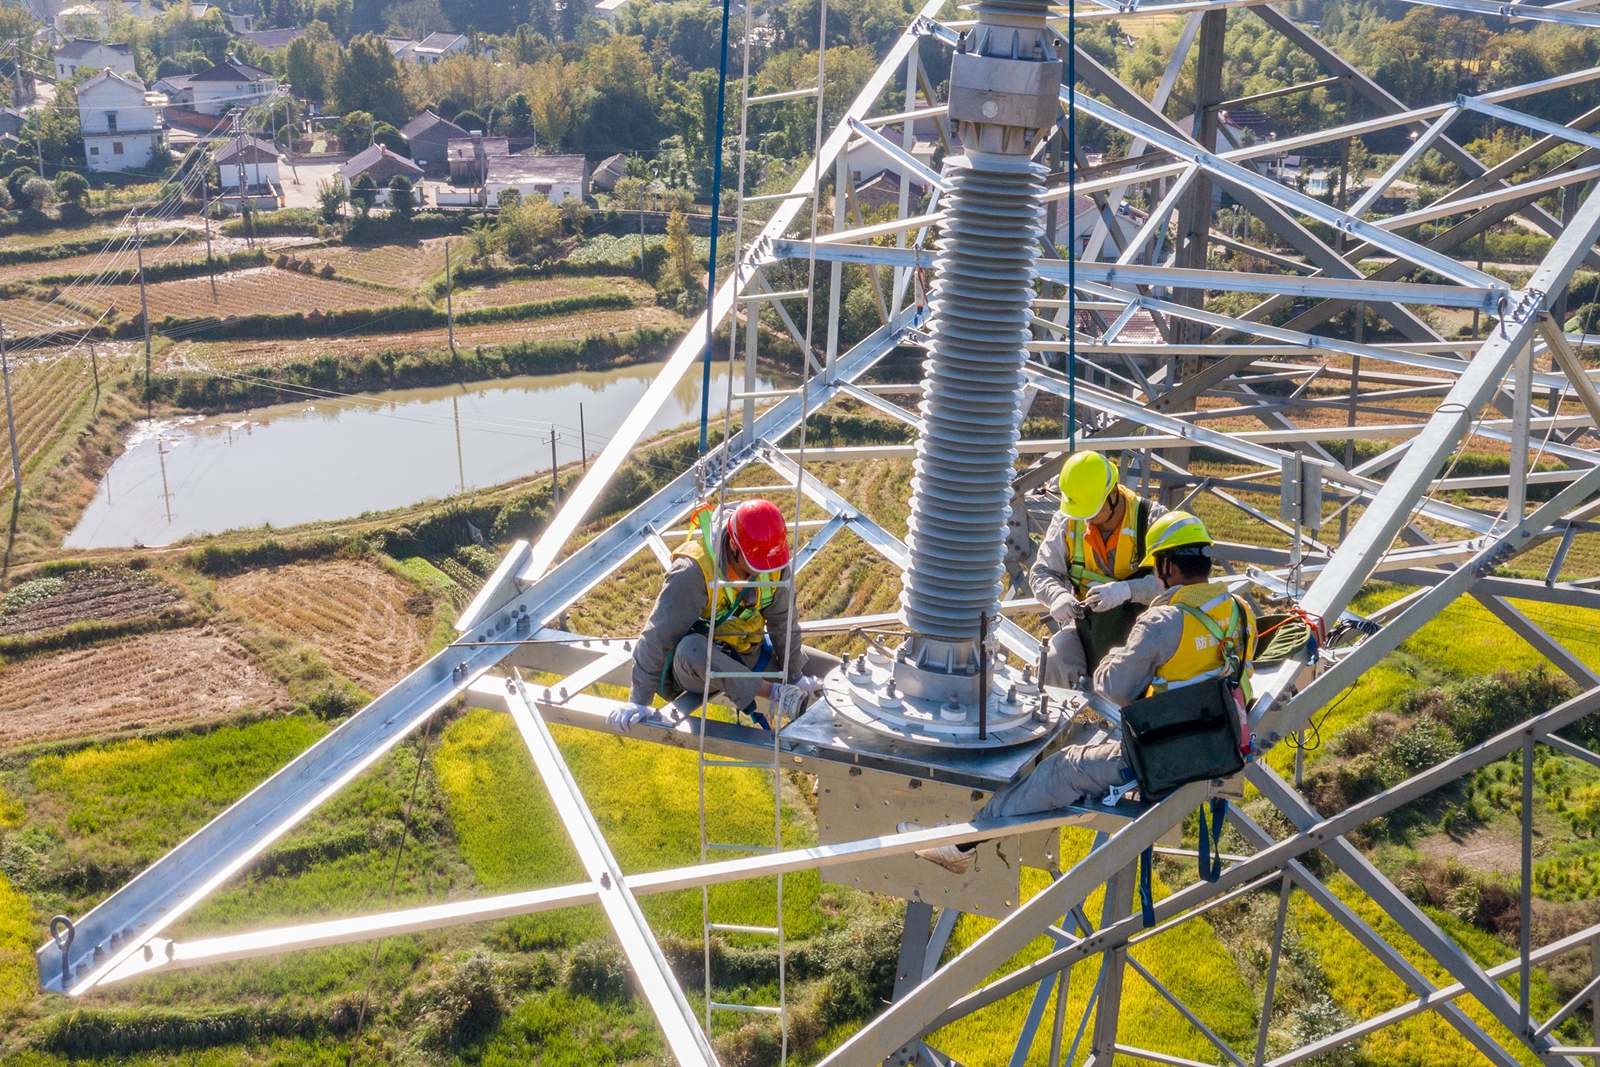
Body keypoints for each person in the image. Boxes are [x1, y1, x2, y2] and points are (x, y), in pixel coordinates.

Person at [908, 512, 1256, 874]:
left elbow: (1113, 688)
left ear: (1167, 565)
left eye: (1157, 567)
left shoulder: (1162, 622)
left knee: (1061, 770)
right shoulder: (1240, 612)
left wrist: (1117, 653)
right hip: (1223, 738)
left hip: (1170, 750)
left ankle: (963, 843)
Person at [608, 498, 840, 733]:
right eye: (756, 565)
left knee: (838, 674)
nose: (764, 571)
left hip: (750, 650)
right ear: (734, 547)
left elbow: (784, 621)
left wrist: (796, 675)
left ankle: (789, 688)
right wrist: (638, 700)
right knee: (691, 648)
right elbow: (657, 635)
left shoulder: (773, 562)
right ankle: (775, 692)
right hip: (698, 664)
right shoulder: (693, 572)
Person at [1030, 451, 1167, 689]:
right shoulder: (1068, 520)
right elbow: (1042, 572)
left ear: (1113, 493)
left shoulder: (1151, 519)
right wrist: (1058, 595)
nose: (1086, 519)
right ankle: (1057, 723)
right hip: (1089, 627)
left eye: (1091, 511)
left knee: (1128, 681)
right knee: (1053, 661)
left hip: (1145, 627)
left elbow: (1176, 584)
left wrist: (1128, 590)